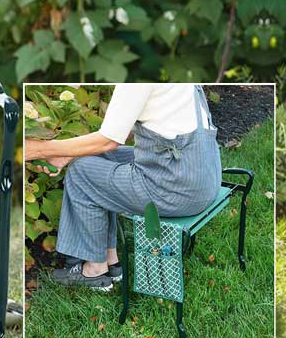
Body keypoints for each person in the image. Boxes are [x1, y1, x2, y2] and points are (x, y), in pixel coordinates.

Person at [24, 84, 221, 291]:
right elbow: (115, 136)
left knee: (81, 172)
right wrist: (66, 154)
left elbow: (108, 140)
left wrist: (38, 149)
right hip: (200, 175)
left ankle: (94, 271)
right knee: (96, 158)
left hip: (177, 190)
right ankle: (111, 260)